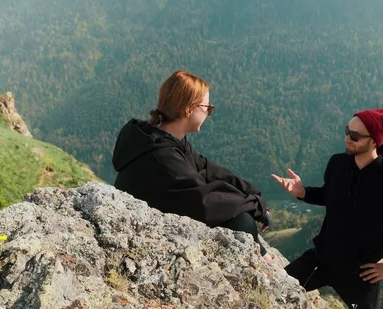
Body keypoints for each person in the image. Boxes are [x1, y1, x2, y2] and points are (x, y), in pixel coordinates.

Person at [271, 108, 383, 308]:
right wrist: (303, 192)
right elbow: (329, 195)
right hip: (322, 258)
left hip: (361, 274)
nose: (347, 138)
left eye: (354, 136)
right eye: (347, 131)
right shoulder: (337, 164)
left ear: (374, 141)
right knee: (273, 291)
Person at [112, 70, 274, 262]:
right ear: (189, 110)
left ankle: (263, 260)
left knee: (242, 219)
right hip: (148, 235)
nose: (208, 113)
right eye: (207, 108)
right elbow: (205, 200)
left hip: (167, 213)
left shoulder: (165, 139)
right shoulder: (162, 156)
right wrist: (254, 206)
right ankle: (263, 264)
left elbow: (207, 169)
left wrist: (254, 194)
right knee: (242, 222)